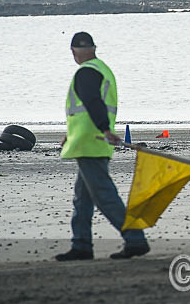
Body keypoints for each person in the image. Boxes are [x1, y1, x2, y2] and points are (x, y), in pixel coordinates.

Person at [56, 32, 150, 261]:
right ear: (94, 48)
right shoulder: (102, 69)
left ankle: (135, 240)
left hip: (92, 141)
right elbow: (87, 108)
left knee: (104, 196)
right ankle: (81, 245)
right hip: (91, 140)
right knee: (83, 198)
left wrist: (104, 129)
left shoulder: (86, 71)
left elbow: (91, 101)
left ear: (74, 51)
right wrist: (70, 135)